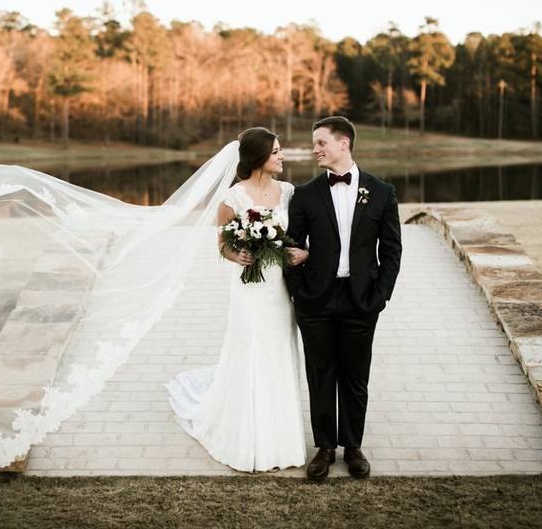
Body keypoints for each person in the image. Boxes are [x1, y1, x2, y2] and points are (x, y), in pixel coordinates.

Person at [166, 127, 310, 472]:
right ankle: (247, 438)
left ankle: (281, 438)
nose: (282, 157)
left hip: (280, 290)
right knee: (251, 350)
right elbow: (222, 245)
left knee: (278, 350)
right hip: (249, 290)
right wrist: (239, 256)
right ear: (260, 156)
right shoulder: (233, 199)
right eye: (276, 152)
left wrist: (302, 253)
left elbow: (300, 235)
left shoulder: (288, 192)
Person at [283, 115, 403, 482]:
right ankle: (324, 448)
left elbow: (392, 250)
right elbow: (290, 246)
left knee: (355, 376)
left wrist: (379, 296)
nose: (314, 149)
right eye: (314, 143)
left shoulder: (382, 192)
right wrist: (299, 291)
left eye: (321, 142)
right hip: (315, 301)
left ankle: (353, 447)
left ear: (343, 143)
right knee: (320, 375)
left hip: (361, 300)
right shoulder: (304, 194)